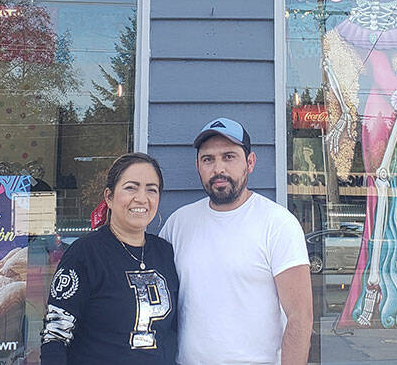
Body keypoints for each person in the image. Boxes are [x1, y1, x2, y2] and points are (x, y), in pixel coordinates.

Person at [160, 118, 312, 365]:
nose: (218, 168)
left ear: (250, 163)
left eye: (229, 156)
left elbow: (300, 317)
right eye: (208, 159)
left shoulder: (278, 224)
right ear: (198, 166)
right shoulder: (178, 224)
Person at [41, 152, 179, 365]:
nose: (142, 198)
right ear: (109, 197)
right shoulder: (85, 254)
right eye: (131, 187)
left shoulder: (166, 253)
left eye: (151, 189)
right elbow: (55, 337)